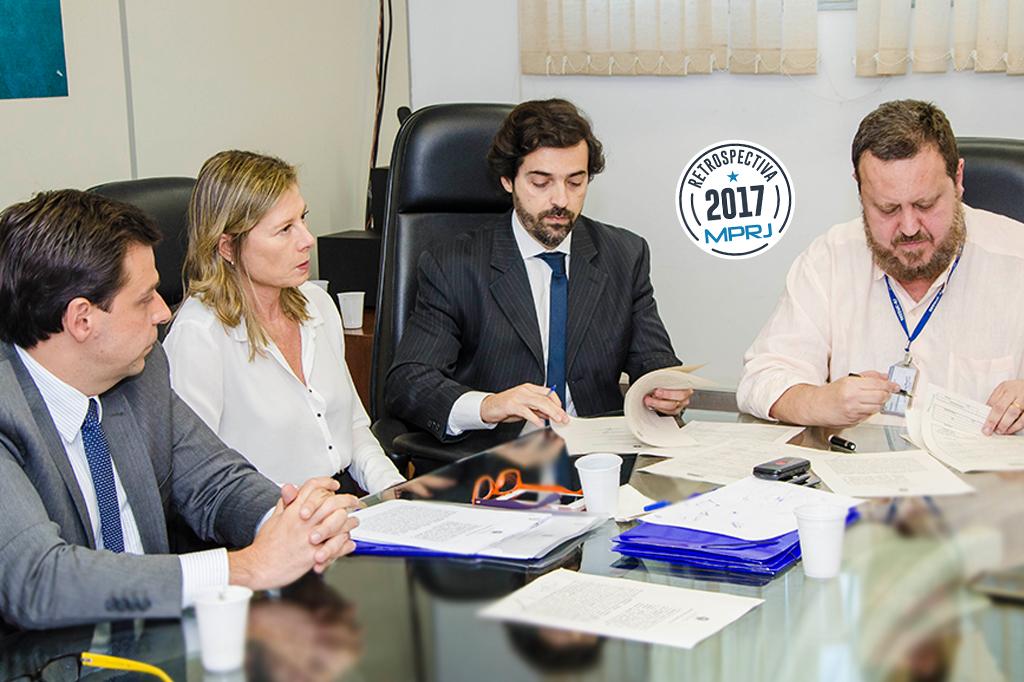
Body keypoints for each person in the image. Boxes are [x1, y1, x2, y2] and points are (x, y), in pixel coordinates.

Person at [0, 190, 358, 630]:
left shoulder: (141, 370)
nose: (163, 313)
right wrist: (244, 568)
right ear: (82, 319)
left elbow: (216, 481)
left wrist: (293, 522)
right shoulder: (8, 410)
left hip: (161, 638)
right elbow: (37, 580)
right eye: (145, 298)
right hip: (51, 654)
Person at [385, 98, 687, 443]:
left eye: (575, 182)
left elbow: (652, 359)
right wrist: (489, 405)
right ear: (508, 180)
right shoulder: (453, 265)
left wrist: (664, 388)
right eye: (541, 183)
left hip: (600, 454)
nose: (561, 200)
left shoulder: (624, 254)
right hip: (499, 457)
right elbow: (409, 381)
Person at [737, 99, 1024, 435]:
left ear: (958, 179)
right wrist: (820, 401)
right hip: (858, 465)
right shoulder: (829, 259)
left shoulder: (1016, 256)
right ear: (860, 192)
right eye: (888, 209)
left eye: (925, 204)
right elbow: (762, 378)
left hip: (984, 468)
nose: (909, 228)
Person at [164, 150, 404, 494]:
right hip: (269, 513)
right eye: (285, 229)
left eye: (303, 219)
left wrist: (395, 490)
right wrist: (300, 510)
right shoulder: (200, 335)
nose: (307, 240)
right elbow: (199, 478)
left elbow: (352, 429)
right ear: (228, 247)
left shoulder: (317, 304)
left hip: (343, 499)